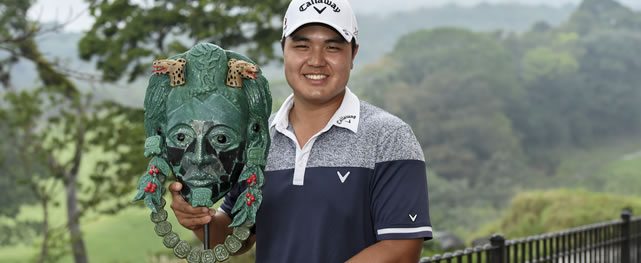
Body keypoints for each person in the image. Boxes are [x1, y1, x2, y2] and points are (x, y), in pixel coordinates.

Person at [169, 0, 432, 262]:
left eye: (332, 47)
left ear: (353, 54)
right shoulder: (258, 139)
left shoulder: (389, 136)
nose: (316, 60)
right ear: (284, 49)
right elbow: (238, 238)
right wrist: (200, 220)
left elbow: (402, 249)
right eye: (302, 46)